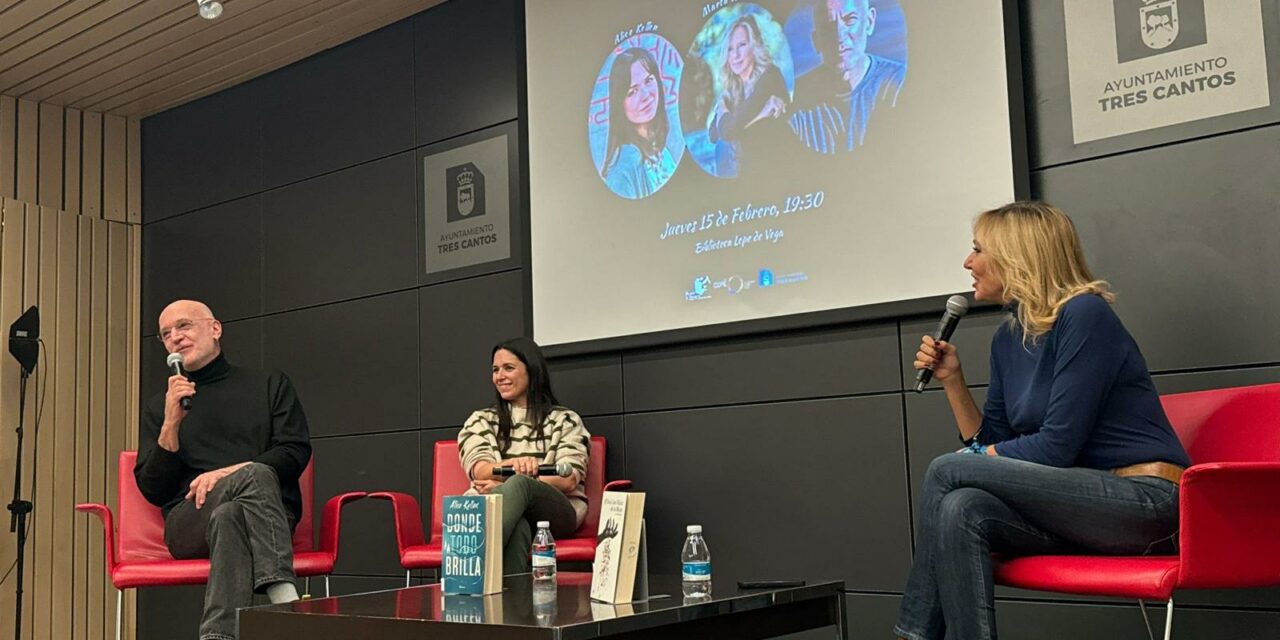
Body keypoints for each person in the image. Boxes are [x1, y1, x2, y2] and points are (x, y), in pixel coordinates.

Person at [894, 202, 1191, 640]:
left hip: (1144, 504)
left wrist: (973, 459)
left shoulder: (1085, 315)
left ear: (1018, 257)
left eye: (978, 249)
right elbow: (997, 444)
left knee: (948, 469)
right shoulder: (1008, 337)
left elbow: (1055, 448)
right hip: (1075, 506)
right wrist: (953, 382)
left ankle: (912, 634)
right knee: (962, 507)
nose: (967, 262)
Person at [135, 300, 311, 640]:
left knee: (231, 513)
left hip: (267, 518)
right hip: (190, 521)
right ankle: (288, 607)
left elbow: (295, 452)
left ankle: (217, 636)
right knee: (252, 476)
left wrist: (225, 474)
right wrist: (171, 424)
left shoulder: (269, 384)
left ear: (215, 329)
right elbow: (153, 489)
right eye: (166, 334)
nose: (175, 338)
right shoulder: (162, 406)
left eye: (184, 326)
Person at [457, 337, 591, 573]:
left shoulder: (565, 419)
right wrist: (511, 478)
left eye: (508, 368)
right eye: (495, 370)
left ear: (532, 371)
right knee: (518, 528)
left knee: (520, 484)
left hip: (557, 511)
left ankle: (473, 566)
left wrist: (509, 484)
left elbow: (569, 478)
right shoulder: (480, 420)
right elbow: (479, 469)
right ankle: (511, 606)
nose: (500, 376)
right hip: (497, 507)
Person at [790, 0, 905, 153]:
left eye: (850, 20)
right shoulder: (795, 100)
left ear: (869, 22)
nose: (839, 36)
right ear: (816, 40)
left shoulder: (898, 83)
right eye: (828, 26)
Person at [708, 13, 791, 176]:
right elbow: (713, 134)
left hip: (775, 166)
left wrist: (724, 108)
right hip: (748, 173)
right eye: (730, 49)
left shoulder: (770, 76)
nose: (735, 55)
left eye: (742, 45)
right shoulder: (734, 88)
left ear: (755, 47)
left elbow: (725, 131)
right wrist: (762, 113)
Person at [600, 47, 678, 199]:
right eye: (632, 91)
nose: (646, 96)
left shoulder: (658, 149)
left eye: (649, 81)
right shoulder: (622, 171)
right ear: (619, 104)